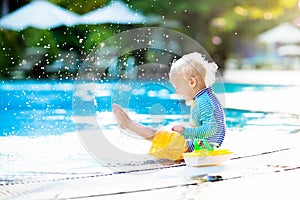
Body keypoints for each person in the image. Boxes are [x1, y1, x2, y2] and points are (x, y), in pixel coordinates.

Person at [112, 52, 226, 152]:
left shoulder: (203, 101)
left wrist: (187, 132)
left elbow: (211, 129)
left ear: (191, 82)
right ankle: (129, 124)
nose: (176, 91)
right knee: (165, 137)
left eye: (177, 86)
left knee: (163, 139)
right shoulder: (207, 97)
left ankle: (128, 124)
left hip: (202, 148)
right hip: (204, 146)